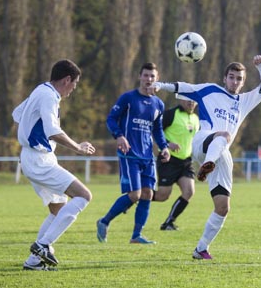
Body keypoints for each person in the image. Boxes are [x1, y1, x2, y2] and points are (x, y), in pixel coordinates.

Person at [153, 55, 261, 260]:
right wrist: (160, 85)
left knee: (223, 207)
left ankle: (201, 249)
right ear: (224, 78)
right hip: (203, 142)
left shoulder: (244, 101)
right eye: (231, 77)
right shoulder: (210, 90)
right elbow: (184, 87)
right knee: (223, 136)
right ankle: (207, 164)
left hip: (221, 153)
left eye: (239, 79)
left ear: (243, 82)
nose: (234, 81)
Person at [12, 59, 95, 271]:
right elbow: (53, 131)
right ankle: (43, 245)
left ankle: (34, 262)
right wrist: (78, 147)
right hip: (39, 160)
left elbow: (17, 114)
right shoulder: (49, 96)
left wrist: (28, 140)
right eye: (75, 83)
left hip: (35, 157)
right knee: (84, 195)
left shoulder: (41, 90)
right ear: (67, 80)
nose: (74, 88)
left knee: (59, 209)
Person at [96, 63, 170, 245]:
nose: (149, 79)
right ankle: (104, 221)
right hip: (129, 154)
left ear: (157, 79)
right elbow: (111, 119)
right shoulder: (128, 98)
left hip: (147, 156)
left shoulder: (158, 104)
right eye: (145, 75)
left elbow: (157, 130)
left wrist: (164, 147)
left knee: (147, 194)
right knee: (135, 194)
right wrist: (119, 136)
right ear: (140, 77)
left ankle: (136, 236)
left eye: (152, 76)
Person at [154, 98, 200, 230]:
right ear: (180, 99)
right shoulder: (170, 114)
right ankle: (135, 197)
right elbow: (155, 131)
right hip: (168, 160)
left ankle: (169, 222)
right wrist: (168, 144)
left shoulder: (196, 119)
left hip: (186, 162)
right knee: (162, 196)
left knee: (189, 191)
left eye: (193, 100)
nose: (191, 102)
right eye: (187, 100)